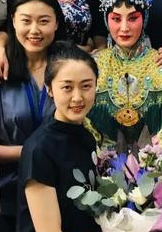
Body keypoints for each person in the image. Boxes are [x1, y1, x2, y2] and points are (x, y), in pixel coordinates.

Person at [0, 0, 65, 231]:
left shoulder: (67, 68)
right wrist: (29, 153)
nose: (34, 30)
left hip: (59, 185)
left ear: (56, 23)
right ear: (13, 21)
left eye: (43, 21)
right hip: (6, 190)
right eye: (26, 21)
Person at [88, 0, 162, 152]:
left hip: (154, 162)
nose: (124, 28)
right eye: (116, 18)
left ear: (144, 19)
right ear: (106, 21)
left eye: (133, 18)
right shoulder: (94, 65)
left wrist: (151, 161)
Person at [17, 41, 101, 232]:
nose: (77, 97)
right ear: (49, 89)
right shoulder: (39, 149)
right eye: (67, 87)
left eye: (86, 86)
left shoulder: (87, 136)